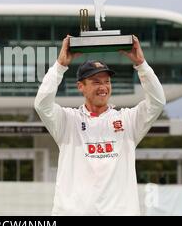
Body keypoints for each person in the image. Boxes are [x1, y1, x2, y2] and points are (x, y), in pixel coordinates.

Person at [34, 35, 166, 215]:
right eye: (96, 82)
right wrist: (59, 67)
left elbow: (157, 102)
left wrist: (141, 65)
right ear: (81, 86)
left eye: (107, 81)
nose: (103, 87)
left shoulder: (128, 120)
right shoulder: (68, 121)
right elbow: (42, 104)